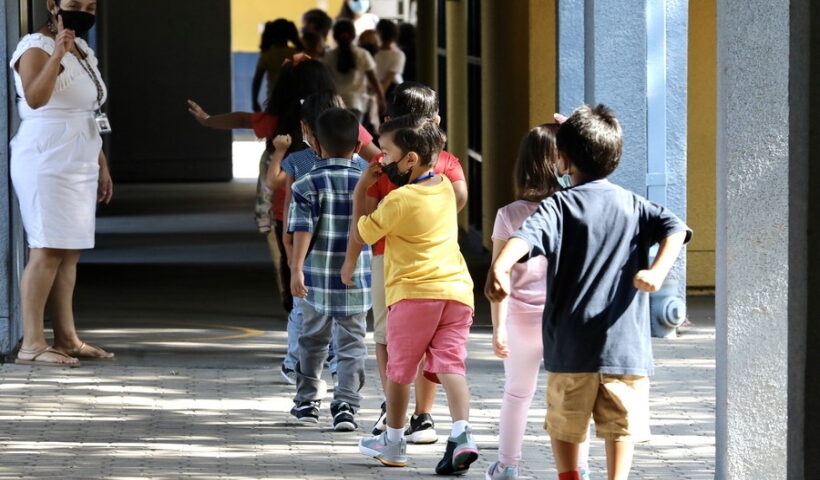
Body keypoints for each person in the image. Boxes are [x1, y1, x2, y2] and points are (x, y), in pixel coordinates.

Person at [485, 105, 692, 480]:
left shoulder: (559, 206)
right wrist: (658, 271)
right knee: (620, 427)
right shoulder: (634, 204)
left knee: (565, 422)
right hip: (624, 344)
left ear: (562, 160)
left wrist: (500, 266)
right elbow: (675, 229)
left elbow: (524, 237)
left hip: (571, 344)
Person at [187, 59, 379, 314]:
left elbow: (244, 119)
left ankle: (298, 312)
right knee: (336, 258)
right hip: (339, 210)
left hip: (287, 212)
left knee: (291, 263)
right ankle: (335, 308)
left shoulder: (279, 122)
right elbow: (378, 159)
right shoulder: (344, 124)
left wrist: (209, 120)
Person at [352, 115, 478, 474]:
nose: (380, 160)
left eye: (387, 152)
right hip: (456, 293)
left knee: (400, 370)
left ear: (409, 159)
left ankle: (392, 442)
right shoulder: (442, 186)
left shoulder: (400, 200)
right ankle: (462, 434)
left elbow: (365, 233)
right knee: (451, 365)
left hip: (414, 295)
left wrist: (362, 188)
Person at [9, 0, 114, 367]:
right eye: (74, 4)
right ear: (53, 6)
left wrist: (101, 163)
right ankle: (32, 345)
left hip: (80, 156)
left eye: (89, 5)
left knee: (69, 251)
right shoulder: (33, 47)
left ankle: (67, 337)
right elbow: (36, 98)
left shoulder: (84, 49)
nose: (83, 10)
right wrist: (57, 54)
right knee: (47, 249)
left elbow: (89, 108)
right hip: (47, 158)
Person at [485, 125, 590, 480]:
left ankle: (507, 465)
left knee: (517, 394)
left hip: (521, 318)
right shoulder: (574, 208)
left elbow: (500, 278)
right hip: (564, 318)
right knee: (573, 399)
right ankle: (582, 469)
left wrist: (498, 327)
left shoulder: (509, 214)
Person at [265, 91, 373, 385]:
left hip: (312, 258)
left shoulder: (299, 161)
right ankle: (341, 372)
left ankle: (295, 367)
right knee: (347, 320)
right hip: (352, 261)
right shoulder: (364, 171)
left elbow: (287, 205)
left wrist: (291, 256)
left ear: (308, 131)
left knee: (305, 315)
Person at [288, 108, 371, 431]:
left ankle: (307, 402)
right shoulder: (367, 182)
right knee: (351, 344)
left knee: (312, 340)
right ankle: (346, 406)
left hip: (316, 280)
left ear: (316, 144)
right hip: (357, 279)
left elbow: (301, 230)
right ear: (357, 145)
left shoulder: (307, 183)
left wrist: (296, 269)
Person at [321, 20, 385, 121]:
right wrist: (381, 99)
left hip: (334, 104)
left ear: (334, 36)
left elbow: (324, 82)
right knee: (355, 135)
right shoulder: (363, 54)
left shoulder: (328, 57)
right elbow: (374, 81)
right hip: (356, 103)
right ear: (354, 35)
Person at [251, 19, 303, 113]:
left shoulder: (267, 55)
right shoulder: (296, 54)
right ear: (289, 35)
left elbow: (257, 79)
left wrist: (254, 101)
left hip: (273, 100)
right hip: (293, 101)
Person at [375, 19, 406, 98]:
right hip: (394, 91)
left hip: (378, 89)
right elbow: (388, 79)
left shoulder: (374, 53)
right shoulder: (398, 55)